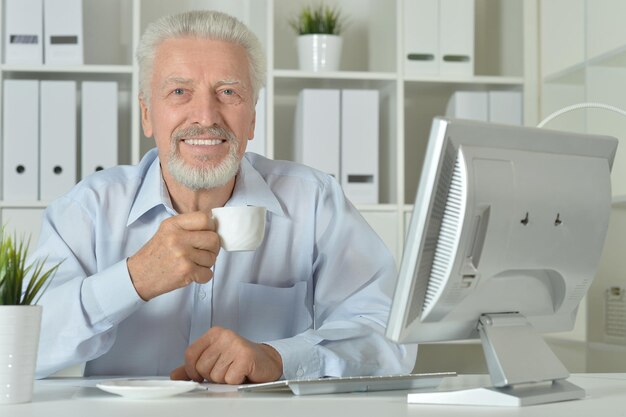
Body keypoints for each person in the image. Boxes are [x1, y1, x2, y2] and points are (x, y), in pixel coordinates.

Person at [30, 10, 417, 384]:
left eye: (228, 92)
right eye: (179, 91)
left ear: (251, 117)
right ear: (147, 114)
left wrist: (282, 358)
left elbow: (391, 334)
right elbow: (17, 346)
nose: (206, 116)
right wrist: (133, 280)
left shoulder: (313, 201)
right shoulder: (89, 209)